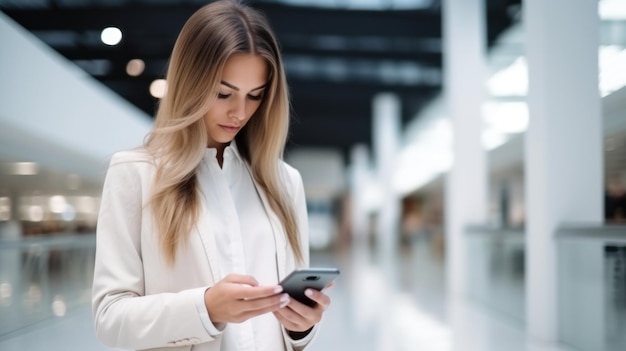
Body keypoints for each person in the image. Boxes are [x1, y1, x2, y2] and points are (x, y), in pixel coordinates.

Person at [91, 1, 332, 350]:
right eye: (223, 93)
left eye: (255, 96)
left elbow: (291, 331)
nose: (239, 112)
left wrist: (302, 326)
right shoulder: (135, 175)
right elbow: (109, 319)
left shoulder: (284, 182)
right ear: (190, 82)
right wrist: (204, 308)